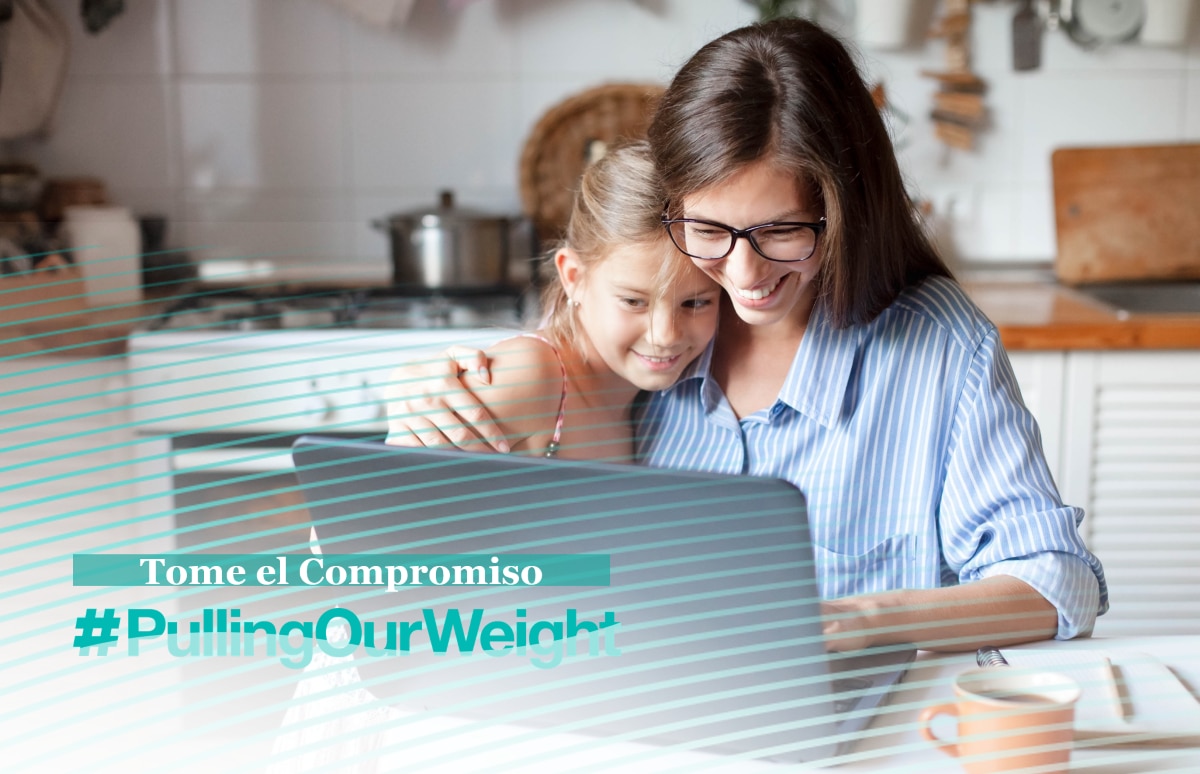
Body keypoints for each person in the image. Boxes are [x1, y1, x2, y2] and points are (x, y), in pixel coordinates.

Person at [385, 18, 1108, 654]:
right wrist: (428, 396)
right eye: (709, 230)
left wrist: (868, 619)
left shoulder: (938, 346)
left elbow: (1056, 581)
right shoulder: (667, 323)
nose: (744, 274)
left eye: (781, 232)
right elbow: (555, 375)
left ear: (844, 210)